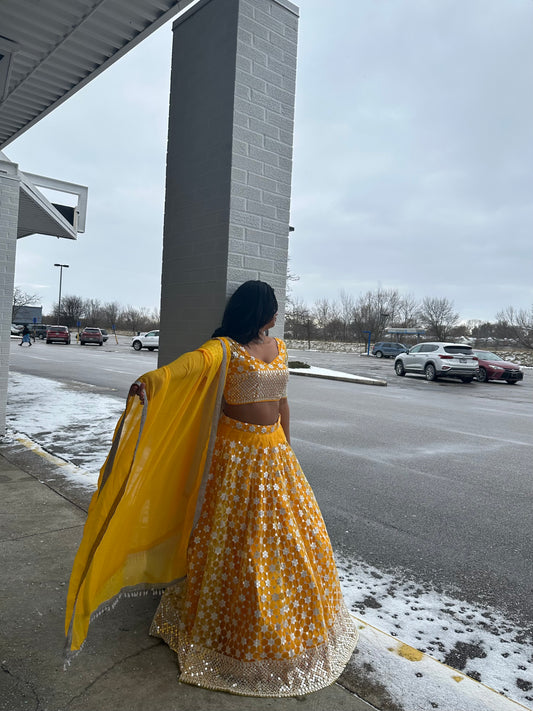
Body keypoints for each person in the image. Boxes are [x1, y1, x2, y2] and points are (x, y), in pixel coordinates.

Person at [65, 280, 358, 696]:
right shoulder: (222, 350)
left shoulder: (279, 349)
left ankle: (290, 627)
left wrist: (288, 449)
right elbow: (182, 371)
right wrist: (151, 383)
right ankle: (228, 631)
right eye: (273, 309)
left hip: (274, 457)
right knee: (238, 543)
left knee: (292, 539)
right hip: (236, 460)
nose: (276, 316)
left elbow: (282, 402)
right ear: (260, 313)